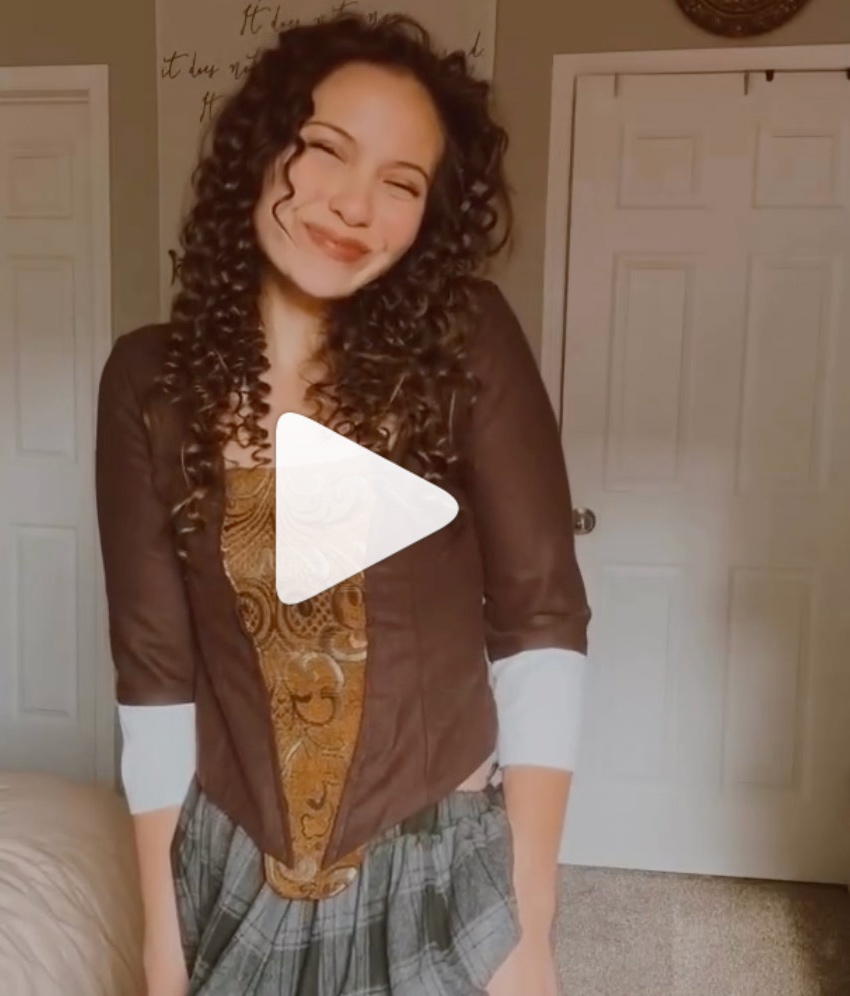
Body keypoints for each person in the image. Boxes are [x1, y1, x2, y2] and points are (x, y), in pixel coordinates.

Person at [95, 13, 591, 996]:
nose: (355, 205)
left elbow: (540, 623)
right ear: (259, 151)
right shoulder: (147, 382)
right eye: (325, 148)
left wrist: (529, 917)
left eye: (402, 184)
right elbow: (154, 680)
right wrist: (161, 943)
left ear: (428, 220)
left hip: (442, 865)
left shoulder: (465, 338)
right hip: (232, 865)